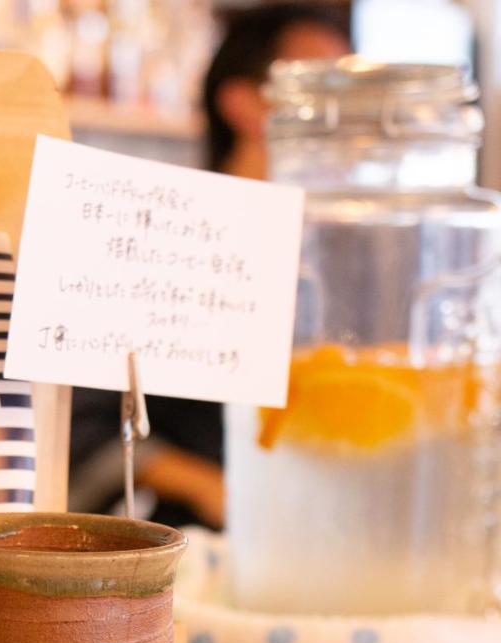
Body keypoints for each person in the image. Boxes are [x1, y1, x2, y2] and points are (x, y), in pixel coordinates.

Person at [68, 3, 350, 529]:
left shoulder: (350, 253)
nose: (346, 112)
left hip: (329, 533)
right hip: (196, 550)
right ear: (243, 104)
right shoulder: (164, 236)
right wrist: (208, 486)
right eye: (322, 87)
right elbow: (85, 426)